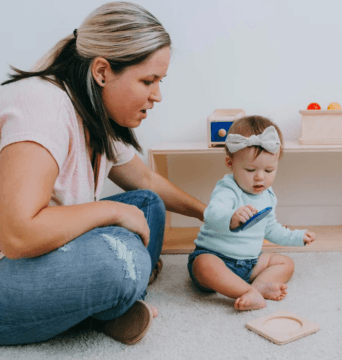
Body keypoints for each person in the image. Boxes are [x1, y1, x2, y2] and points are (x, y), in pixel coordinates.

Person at [0, 2, 206, 346]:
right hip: (10, 260)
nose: (157, 95)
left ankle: (103, 302)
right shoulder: (43, 105)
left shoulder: (94, 112)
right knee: (119, 262)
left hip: (47, 248)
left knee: (147, 204)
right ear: (102, 71)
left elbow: (147, 182)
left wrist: (210, 214)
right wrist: (113, 211)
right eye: (148, 80)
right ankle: (111, 299)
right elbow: (18, 236)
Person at [188, 116, 316, 311]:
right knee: (203, 266)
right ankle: (247, 292)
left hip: (250, 263)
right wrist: (231, 217)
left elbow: (271, 229)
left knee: (285, 263)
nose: (260, 177)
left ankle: (256, 287)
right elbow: (212, 213)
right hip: (217, 257)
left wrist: (297, 236)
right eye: (250, 169)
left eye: (269, 169)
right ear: (230, 164)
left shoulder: (268, 195)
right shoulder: (227, 189)